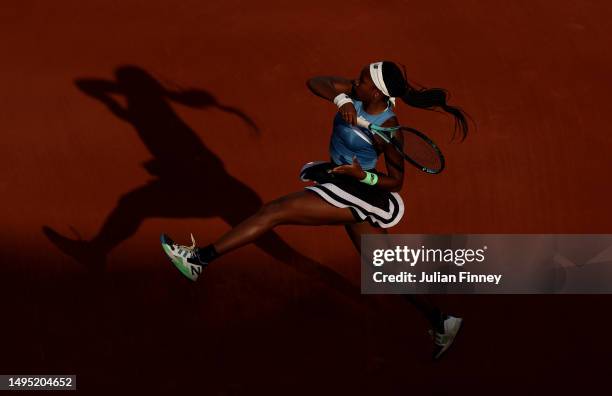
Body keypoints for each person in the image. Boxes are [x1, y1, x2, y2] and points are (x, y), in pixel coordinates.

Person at [161, 61, 469, 359]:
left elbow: (395, 181)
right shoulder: (353, 91)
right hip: (338, 177)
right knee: (384, 267)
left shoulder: (388, 129)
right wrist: (341, 100)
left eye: (362, 81)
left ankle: (199, 259)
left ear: (375, 92)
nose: (355, 82)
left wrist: (363, 176)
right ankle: (440, 320)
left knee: (274, 211)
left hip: (357, 191)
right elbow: (316, 82)